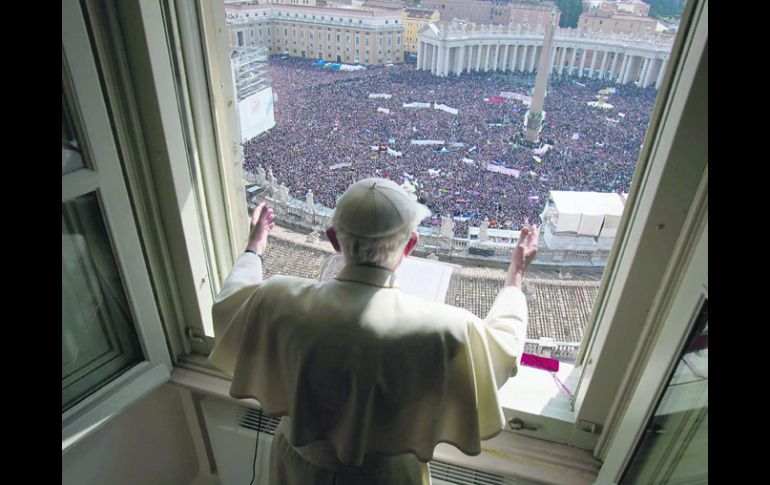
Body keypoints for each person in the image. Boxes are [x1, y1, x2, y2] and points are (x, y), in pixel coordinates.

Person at [208, 177, 540, 484]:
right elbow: (504, 349)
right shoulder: (448, 330)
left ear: (334, 239)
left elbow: (229, 307)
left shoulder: (277, 298)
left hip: (297, 467)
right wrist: (514, 277)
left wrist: (254, 249)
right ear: (410, 245)